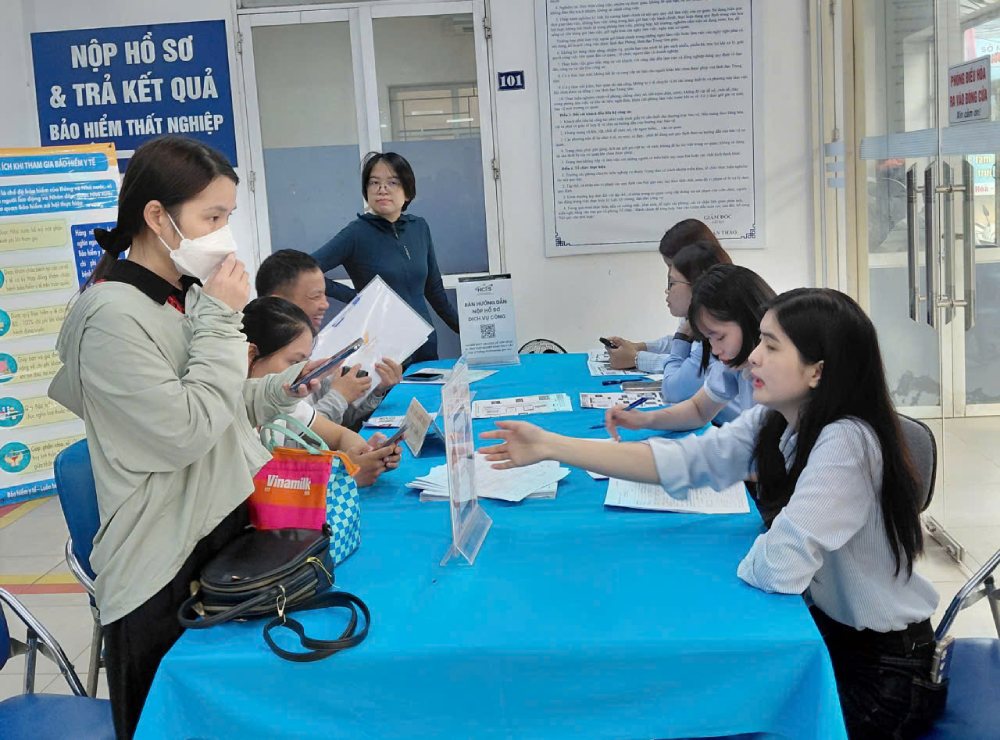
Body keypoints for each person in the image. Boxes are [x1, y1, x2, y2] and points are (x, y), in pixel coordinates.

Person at [480, 288, 946, 739]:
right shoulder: (779, 418)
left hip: (882, 676)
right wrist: (550, 446)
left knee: (698, 710)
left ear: (816, 371)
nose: (754, 358)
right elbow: (683, 462)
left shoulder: (848, 443)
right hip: (828, 636)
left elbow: (779, 566)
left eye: (770, 345)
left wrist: (765, 539)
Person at [48, 135, 340, 739]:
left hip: (215, 545)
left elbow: (223, 405)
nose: (224, 236)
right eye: (211, 217)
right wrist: (221, 319)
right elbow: (185, 431)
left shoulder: (178, 300)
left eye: (228, 218)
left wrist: (280, 389)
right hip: (161, 570)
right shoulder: (111, 317)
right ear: (157, 217)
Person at [310, 151, 459, 363]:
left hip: (425, 342)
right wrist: (356, 299)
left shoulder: (419, 227)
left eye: (392, 182)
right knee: (392, 397)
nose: (382, 189)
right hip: (384, 347)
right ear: (366, 191)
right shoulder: (356, 233)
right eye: (374, 182)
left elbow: (434, 291)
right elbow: (306, 270)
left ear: (407, 192)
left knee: (427, 395)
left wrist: (466, 330)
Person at [242, 296, 401, 487]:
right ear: (251, 355)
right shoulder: (232, 416)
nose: (302, 372)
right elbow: (262, 490)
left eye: (306, 361)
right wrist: (343, 477)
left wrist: (367, 453)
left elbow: (341, 435)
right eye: (293, 362)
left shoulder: (286, 402)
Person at [607, 265, 775, 435]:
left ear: (748, 319)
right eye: (709, 339)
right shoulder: (734, 363)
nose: (715, 350)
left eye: (720, 337)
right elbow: (699, 409)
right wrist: (644, 419)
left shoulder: (780, 373)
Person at [255, 249, 403, 428]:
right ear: (279, 302)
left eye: (324, 295)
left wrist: (376, 390)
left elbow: (339, 419)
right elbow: (293, 436)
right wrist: (339, 396)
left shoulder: (312, 349)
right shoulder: (265, 362)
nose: (325, 304)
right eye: (315, 296)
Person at [606, 219, 731, 371]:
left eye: (673, 266)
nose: (669, 277)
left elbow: (694, 367)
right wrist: (639, 347)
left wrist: (636, 358)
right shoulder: (698, 308)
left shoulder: (720, 311)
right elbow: (683, 345)